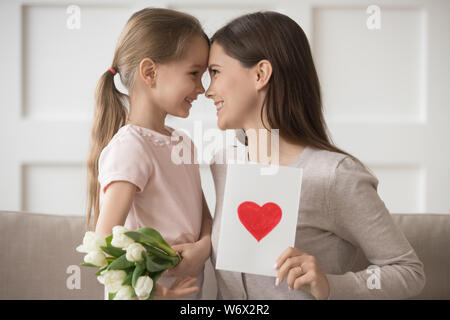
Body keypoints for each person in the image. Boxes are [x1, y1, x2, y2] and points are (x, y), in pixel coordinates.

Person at [205, 11, 426, 299]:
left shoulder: (335, 175)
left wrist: (330, 284)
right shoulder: (224, 163)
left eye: (216, 72)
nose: (207, 91)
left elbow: (408, 271)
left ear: (260, 74)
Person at [85, 8, 212, 300]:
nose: (202, 88)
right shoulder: (131, 147)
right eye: (194, 74)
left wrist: (203, 247)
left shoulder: (182, 142)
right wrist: (157, 295)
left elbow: (203, 214)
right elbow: (103, 246)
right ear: (150, 72)